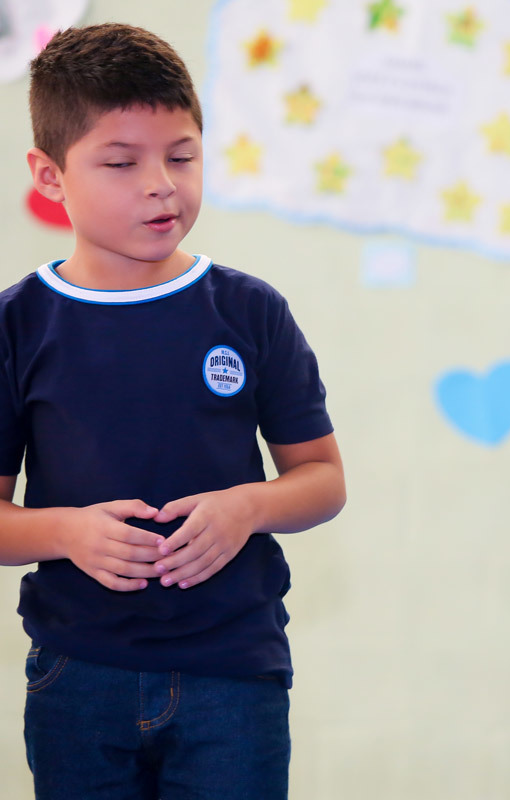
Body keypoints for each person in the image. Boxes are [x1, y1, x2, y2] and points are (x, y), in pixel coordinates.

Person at [1, 23, 345, 799]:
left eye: (182, 156)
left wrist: (248, 507)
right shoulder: (18, 325)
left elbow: (323, 479)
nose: (161, 184)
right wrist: (66, 532)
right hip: (76, 677)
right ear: (49, 175)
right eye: (122, 162)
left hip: (235, 675)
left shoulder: (250, 311)